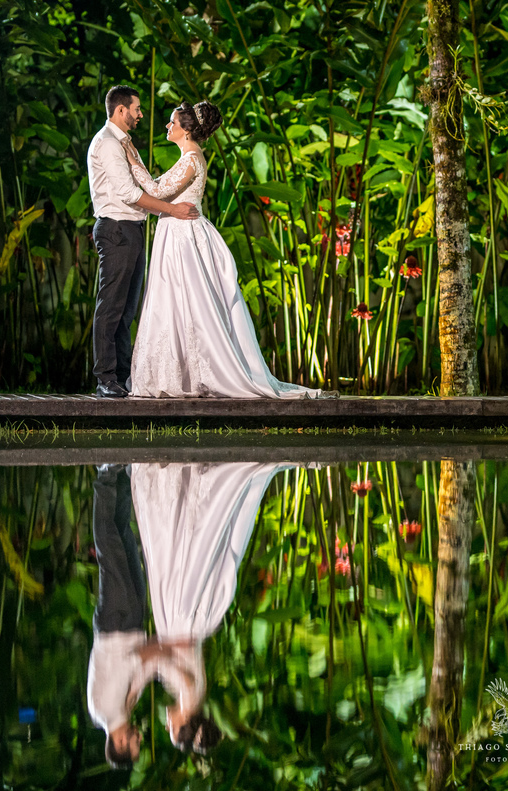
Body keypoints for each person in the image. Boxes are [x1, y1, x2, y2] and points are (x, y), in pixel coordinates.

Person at [120, 100, 336, 398]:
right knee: (172, 303)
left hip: (184, 238)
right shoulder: (186, 157)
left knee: (190, 303)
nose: (168, 126)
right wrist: (140, 167)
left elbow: (156, 191)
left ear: (186, 130)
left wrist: (132, 161)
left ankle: (199, 374)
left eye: (172, 122)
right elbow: (159, 187)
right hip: (175, 233)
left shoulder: (192, 158)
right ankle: (179, 373)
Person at [131, 461, 295, 752]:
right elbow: (165, 659)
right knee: (189, 547)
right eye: (172, 729)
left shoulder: (189, 696)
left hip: (177, 620)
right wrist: (143, 662)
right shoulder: (190, 695)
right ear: (183, 725)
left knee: (178, 547)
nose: (166, 724)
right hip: (183, 616)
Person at [87, 85, 200, 399]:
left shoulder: (125, 145)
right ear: (121, 110)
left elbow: (146, 184)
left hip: (132, 230)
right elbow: (129, 193)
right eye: (136, 109)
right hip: (117, 229)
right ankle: (105, 378)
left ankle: (123, 377)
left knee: (126, 310)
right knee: (110, 307)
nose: (140, 115)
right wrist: (173, 209)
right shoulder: (108, 143)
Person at [86, 464, 154, 769]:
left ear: (120, 743)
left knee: (109, 551)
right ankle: (125, 475)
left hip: (114, 624)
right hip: (133, 622)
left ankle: (106, 474)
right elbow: (141, 670)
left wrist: (158, 654)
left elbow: (129, 662)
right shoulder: (126, 708)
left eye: (135, 743)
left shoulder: (102, 710)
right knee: (125, 540)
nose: (140, 737)